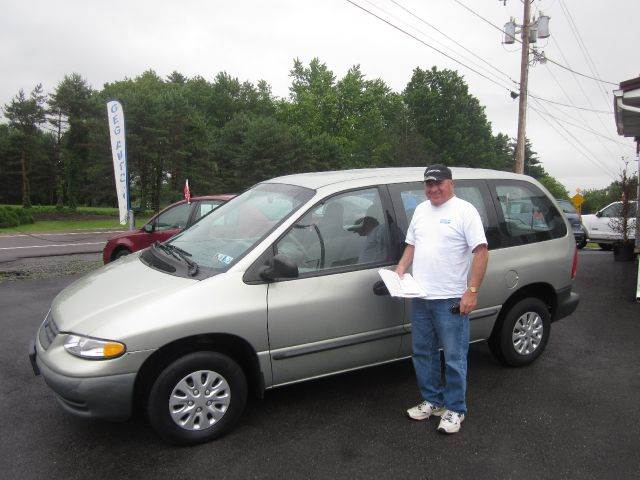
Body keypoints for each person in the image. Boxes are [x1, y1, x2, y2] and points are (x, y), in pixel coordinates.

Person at [395, 164, 488, 434]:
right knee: (423, 353)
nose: (433, 188)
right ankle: (433, 401)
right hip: (421, 297)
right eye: (429, 184)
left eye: (439, 183)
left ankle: (456, 408)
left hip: (450, 300)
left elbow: (481, 252)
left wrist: (471, 291)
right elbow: (411, 244)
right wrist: (401, 268)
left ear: (451, 183)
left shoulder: (465, 211)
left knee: (454, 356)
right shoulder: (421, 211)